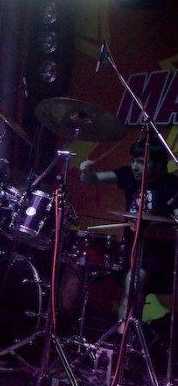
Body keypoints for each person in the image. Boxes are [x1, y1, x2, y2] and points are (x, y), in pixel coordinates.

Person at [72, 136, 178, 336]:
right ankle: (75, 328)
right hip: (130, 250)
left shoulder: (172, 186)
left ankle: (127, 339)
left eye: (142, 162)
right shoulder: (128, 174)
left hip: (159, 258)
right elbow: (92, 180)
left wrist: (157, 230)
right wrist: (86, 171)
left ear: (159, 164)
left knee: (134, 279)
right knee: (77, 264)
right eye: (133, 161)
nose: (135, 167)